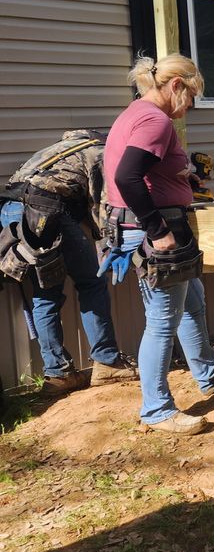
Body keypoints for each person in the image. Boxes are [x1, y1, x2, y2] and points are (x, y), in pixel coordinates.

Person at [102, 54, 214, 435]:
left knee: (193, 302)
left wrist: (183, 177)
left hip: (155, 224)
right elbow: (128, 177)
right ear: (177, 86)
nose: (191, 105)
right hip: (157, 231)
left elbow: (142, 172)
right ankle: (157, 409)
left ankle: (210, 375)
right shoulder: (154, 119)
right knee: (162, 322)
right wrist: (157, 230)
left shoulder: (134, 113)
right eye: (192, 95)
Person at [0, 129, 131, 394]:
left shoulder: (60, 150)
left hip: (11, 210)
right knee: (91, 282)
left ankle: (58, 374)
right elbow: (102, 206)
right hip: (46, 212)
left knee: (46, 294)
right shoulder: (102, 153)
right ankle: (107, 363)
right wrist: (108, 242)